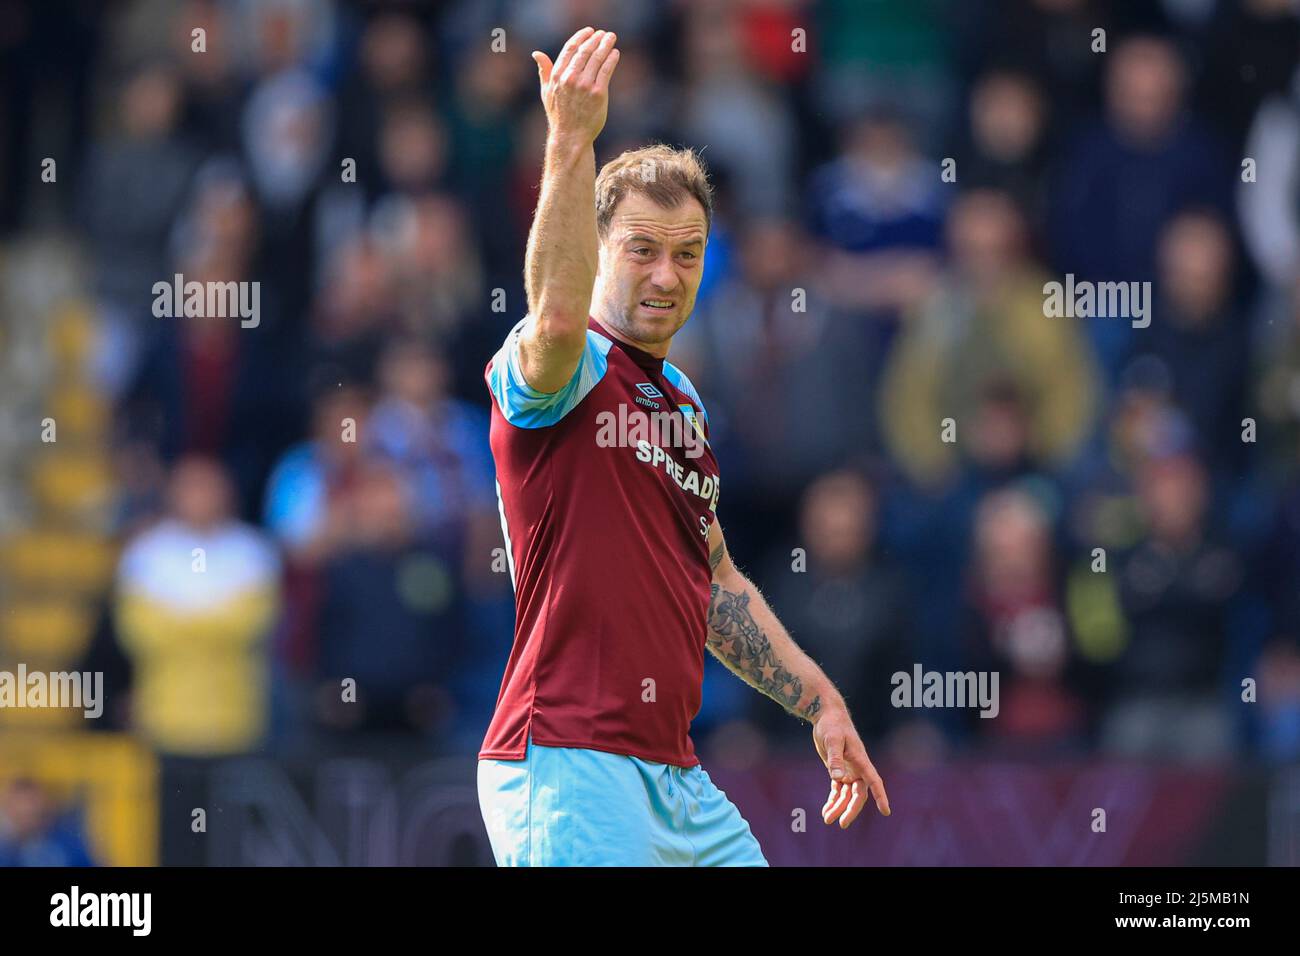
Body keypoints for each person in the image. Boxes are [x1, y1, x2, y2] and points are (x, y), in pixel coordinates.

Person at [476, 26, 891, 867]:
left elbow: (714, 584)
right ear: (598, 253)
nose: (667, 276)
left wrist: (819, 703)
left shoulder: (684, 404)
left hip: (674, 773)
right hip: (566, 757)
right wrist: (569, 141)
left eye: (689, 254)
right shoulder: (561, 364)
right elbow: (556, 315)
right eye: (642, 251)